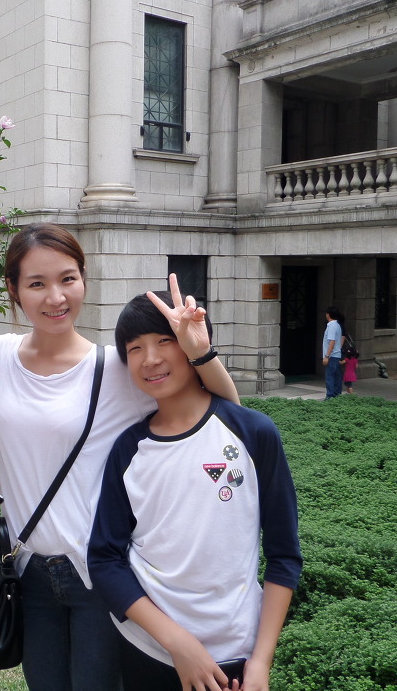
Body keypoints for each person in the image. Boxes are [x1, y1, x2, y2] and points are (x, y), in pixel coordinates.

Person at [0, 222, 240, 691]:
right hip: (28, 571)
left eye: (68, 279)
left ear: (84, 279)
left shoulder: (116, 368)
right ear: (13, 290)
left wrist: (201, 353)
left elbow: (225, 416)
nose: (55, 297)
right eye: (36, 284)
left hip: (101, 576)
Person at [88, 292, 302, 691]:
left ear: (190, 347)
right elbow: (104, 559)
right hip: (149, 649)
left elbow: (284, 555)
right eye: (135, 348)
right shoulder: (128, 450)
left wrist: (261, 661)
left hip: (236, 652)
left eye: (164, 341)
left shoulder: (253, 433)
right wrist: (177, 642)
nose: (150, 358)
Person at [322, 306, 343, 399]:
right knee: (337, 376)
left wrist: (326, 356)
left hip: (332, 356)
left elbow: (332, 342)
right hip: (337, 355)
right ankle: (337, 395)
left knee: (330, 376)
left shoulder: (332, 326)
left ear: (328, 314)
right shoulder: (337, 325)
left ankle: (330, 397)